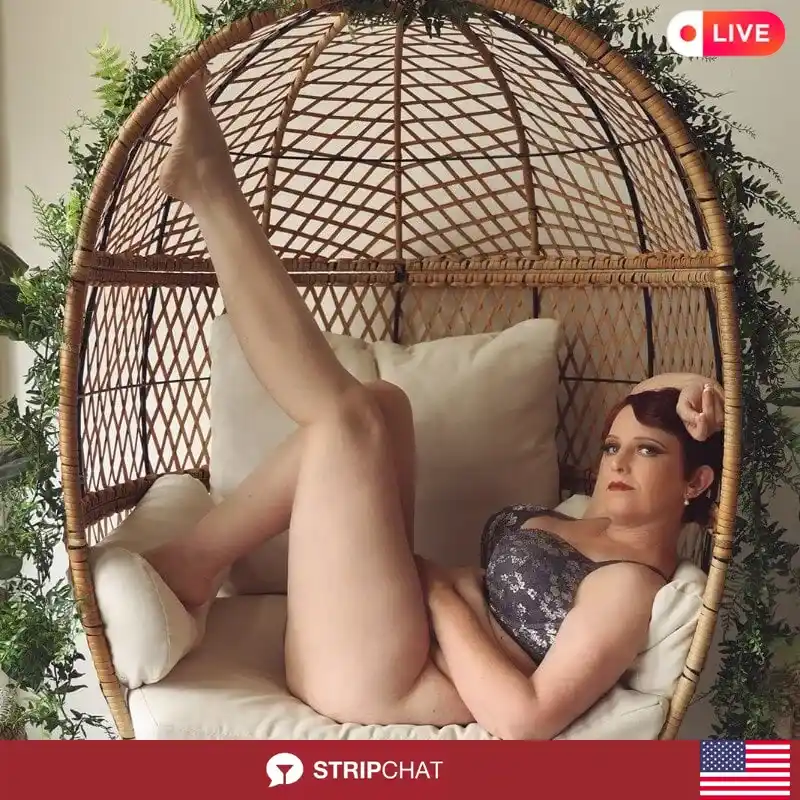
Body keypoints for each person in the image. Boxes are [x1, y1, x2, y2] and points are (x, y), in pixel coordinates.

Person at [145, 69, 726, 740]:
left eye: (647, 452)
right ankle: (193, 564)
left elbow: (525, 719)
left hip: (386, 678)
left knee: (348, 421)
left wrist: (443, 594)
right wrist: (695, 391)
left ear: (696, 482)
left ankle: (216, 197)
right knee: (381, 404)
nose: (617, 463)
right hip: (392, 627)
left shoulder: (629, 585)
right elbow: (643, 400)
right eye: (613, 447)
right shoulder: (595, 516)